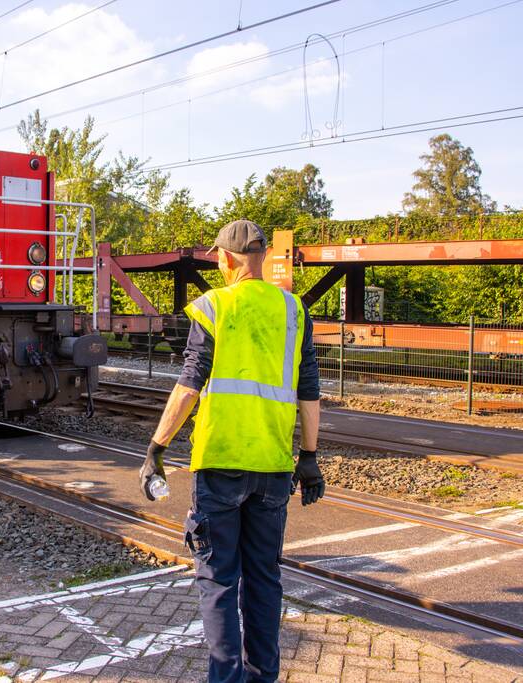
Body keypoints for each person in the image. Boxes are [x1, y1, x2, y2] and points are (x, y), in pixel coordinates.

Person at [139, 219, 324, 683]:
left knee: (220, 581)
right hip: (274, 465)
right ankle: (263, 677)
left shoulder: (214, 306)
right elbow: (309, 391)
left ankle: (225, 678)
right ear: (261, 258)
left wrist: (157, 447)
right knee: (264, 578)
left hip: (220, 463)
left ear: (224, 259)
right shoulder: (294, 310)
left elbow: (189, 385)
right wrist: (310, 457)